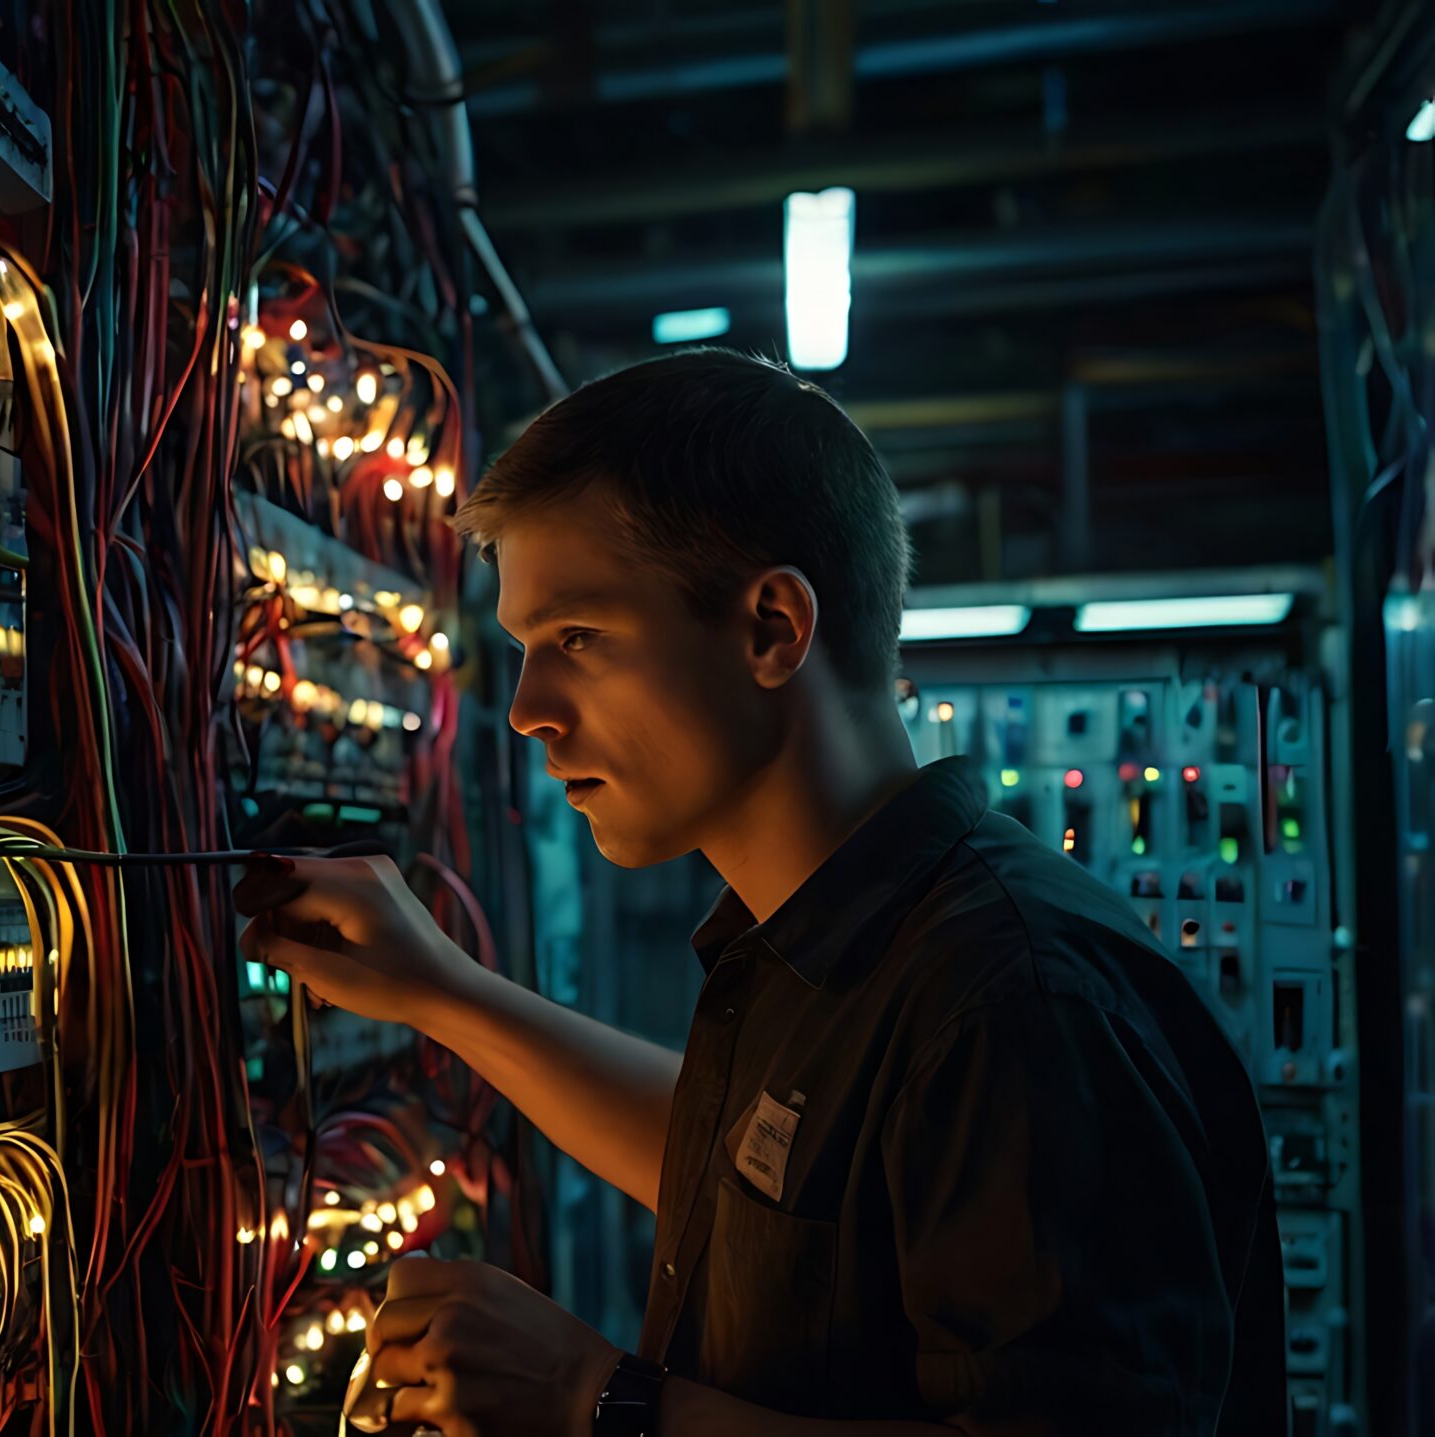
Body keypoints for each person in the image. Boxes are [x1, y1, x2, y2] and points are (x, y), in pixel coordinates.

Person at [235, 350, 1285, 1437]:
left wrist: (592, 1398)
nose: (527, 709)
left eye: (578, 638)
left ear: (772, 628)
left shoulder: (1013, 1004)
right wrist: (438, 990)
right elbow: (761, 1188)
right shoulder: (844, 945)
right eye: (525, 649)